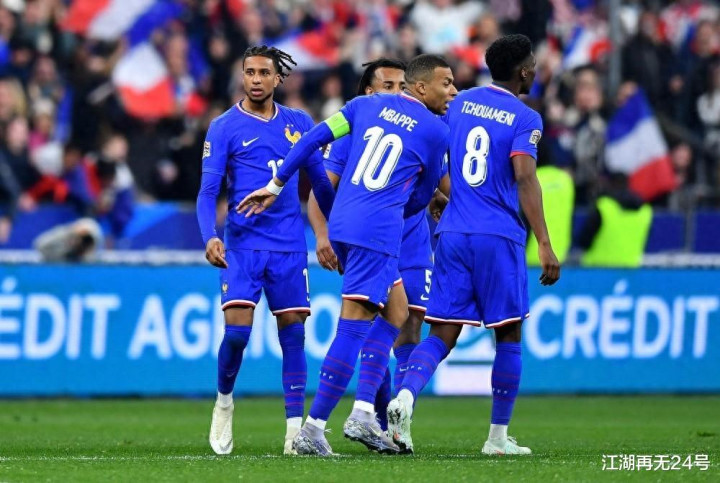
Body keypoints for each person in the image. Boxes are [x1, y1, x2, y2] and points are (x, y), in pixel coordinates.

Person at [238, 54, 456, 456]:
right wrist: (394, 207)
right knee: (352, 327)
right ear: (421, 87)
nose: (453, 91)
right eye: (447, 83)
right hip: (377, 233)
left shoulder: (363, 106)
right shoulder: (436, 131)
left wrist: (275, 184)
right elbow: (421, 198)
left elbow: (310, 142)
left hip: (342, 222)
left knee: (397, 311)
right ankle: (314, 427)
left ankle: (363, 411)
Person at [387, 34, 560, 456]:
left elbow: (432, 151)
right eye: (533, 65)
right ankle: (497, 438)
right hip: (497, 234)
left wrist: (436, 193)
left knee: (442, 333)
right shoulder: (526, 117)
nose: (535, 71)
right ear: (523, 72)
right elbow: (524, 177)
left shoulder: (459, 102)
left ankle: (404, 397)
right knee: (509, 332)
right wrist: (543, 241)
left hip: (452, 232)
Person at [196, 45, 335, 456]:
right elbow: (208, 191)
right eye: (249, 72)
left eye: (263, 73)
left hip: (289, 246)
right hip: (242, 246)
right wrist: (210, 236)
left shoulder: (299, 123)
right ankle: (224, 401)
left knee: (293, 334)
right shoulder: (223, 127)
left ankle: (294, 432)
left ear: (278, 78)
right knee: (237, 334)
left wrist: (335, 227)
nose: (256, 79)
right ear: (243, 76)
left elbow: (320, 183)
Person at [307, 58, 450, 436]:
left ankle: (389, 424)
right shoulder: (355, 132)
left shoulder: (425, 130)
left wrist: (440, 197)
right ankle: (350, 418)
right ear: (370, 92)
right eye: (389, 86)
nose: (398, 92)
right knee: (366, 325)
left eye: (402, 85)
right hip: (373, 238)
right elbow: (321, 187)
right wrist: (323, 234)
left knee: (407, 322)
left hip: (412, 243)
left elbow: (438, 182)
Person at [578, 173, 652, 267]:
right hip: (629, 269)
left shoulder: (604, 207)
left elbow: (584, 241)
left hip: (597, 268)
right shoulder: (645, 211)